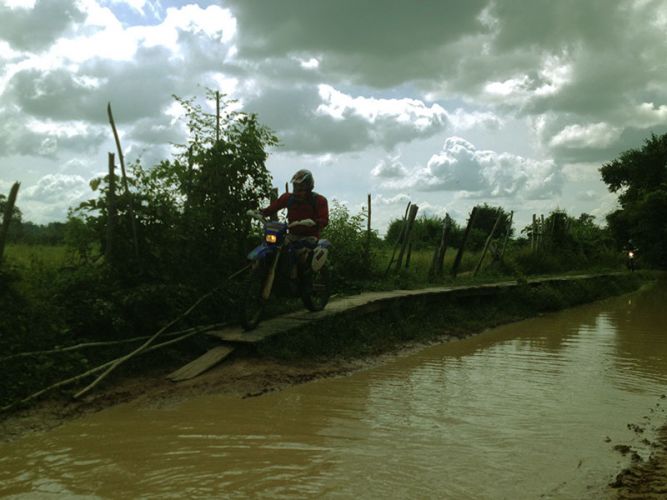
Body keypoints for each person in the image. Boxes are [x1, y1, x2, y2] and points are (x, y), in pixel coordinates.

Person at [258, 169, 329, 279]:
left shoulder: (319, 200)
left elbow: (324, 220)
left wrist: (314, 223)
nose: (298, 189)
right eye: (296, 186)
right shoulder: (288, 198)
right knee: (275, 247)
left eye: (301, 186)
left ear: (309, 187)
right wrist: (260, 212)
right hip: (291, 235)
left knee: (303, 260)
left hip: (309, 237)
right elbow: (271, 209)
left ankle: (303, 285)